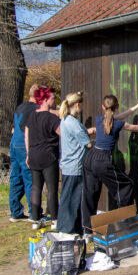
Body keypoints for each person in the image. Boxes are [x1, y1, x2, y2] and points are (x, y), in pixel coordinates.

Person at [81, 94, 138, 232]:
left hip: (91, 158)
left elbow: (117, 117)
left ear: (103, 107)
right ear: (117, 106)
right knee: (127, 185)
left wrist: (136, 106)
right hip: (103, 160)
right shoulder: (118, 124)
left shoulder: (99, 119)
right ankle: (123, 225)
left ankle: (87, 230)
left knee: (89, 194)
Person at [57, 91, 94, 236]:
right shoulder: (74, 123)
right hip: (75, 166)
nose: (82, 108)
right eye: (82, 105)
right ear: (77, 105)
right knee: (73, 200)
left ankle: (67, 228)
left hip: (68, 165)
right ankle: (69, 230)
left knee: (67, 198)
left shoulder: (65, 120)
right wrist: (97, 142)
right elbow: (87, 144)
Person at [24, 87, 61, 224]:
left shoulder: (32, 116)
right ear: (45, 100)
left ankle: (35, 218)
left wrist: (28, 153)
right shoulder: (52, 118)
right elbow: (63, 133)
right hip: (48, 156)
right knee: (51, 188)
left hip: (34, 155)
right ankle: (55, 219)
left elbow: (26, 135)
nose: (55, 101)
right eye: (53, 98)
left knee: (36, 187)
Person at [8, 85, 38, 222]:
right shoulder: (34, 108)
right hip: (23, 145)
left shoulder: (21, 107)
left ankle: (15, 212)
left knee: (16, 178)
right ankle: (34, 212)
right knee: (29, 178)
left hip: (14, 143)